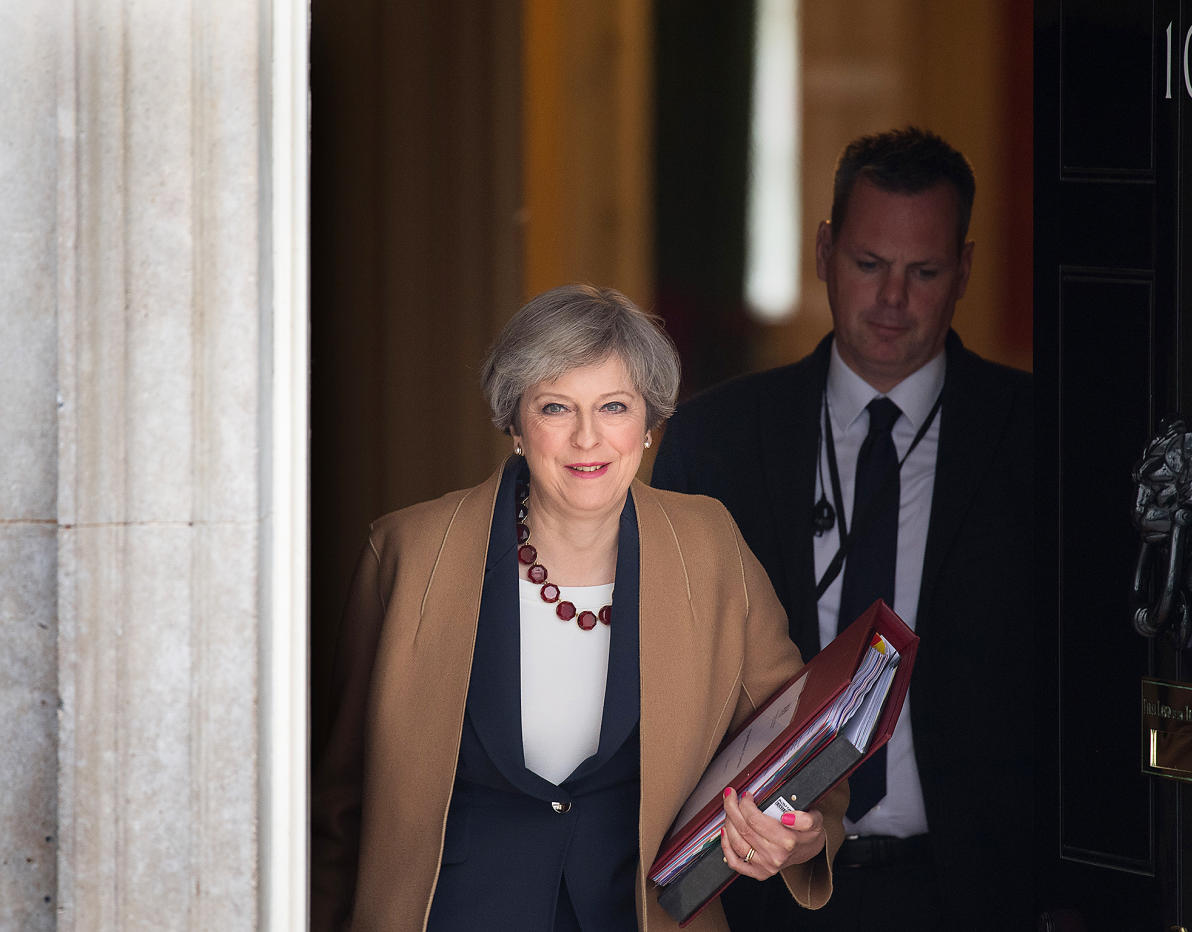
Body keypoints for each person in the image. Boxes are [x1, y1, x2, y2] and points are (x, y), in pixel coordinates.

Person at [311, 284, 848, 932]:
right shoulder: (405, 554)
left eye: (614, 406)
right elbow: (338, 810)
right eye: (557, 407)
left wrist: (804, 834)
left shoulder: (709, 550)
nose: (588, 437)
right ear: (515, 422)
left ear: (648, 424)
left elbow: (803, 736)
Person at [652, 128, 1035, 930]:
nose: (892, 299)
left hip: (976, 894)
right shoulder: (714, 440)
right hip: (762, 894)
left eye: (923, 272)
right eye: (869, 265)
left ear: (963, 269)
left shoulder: (1039, 437)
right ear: (825, 251)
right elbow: (664, 682)